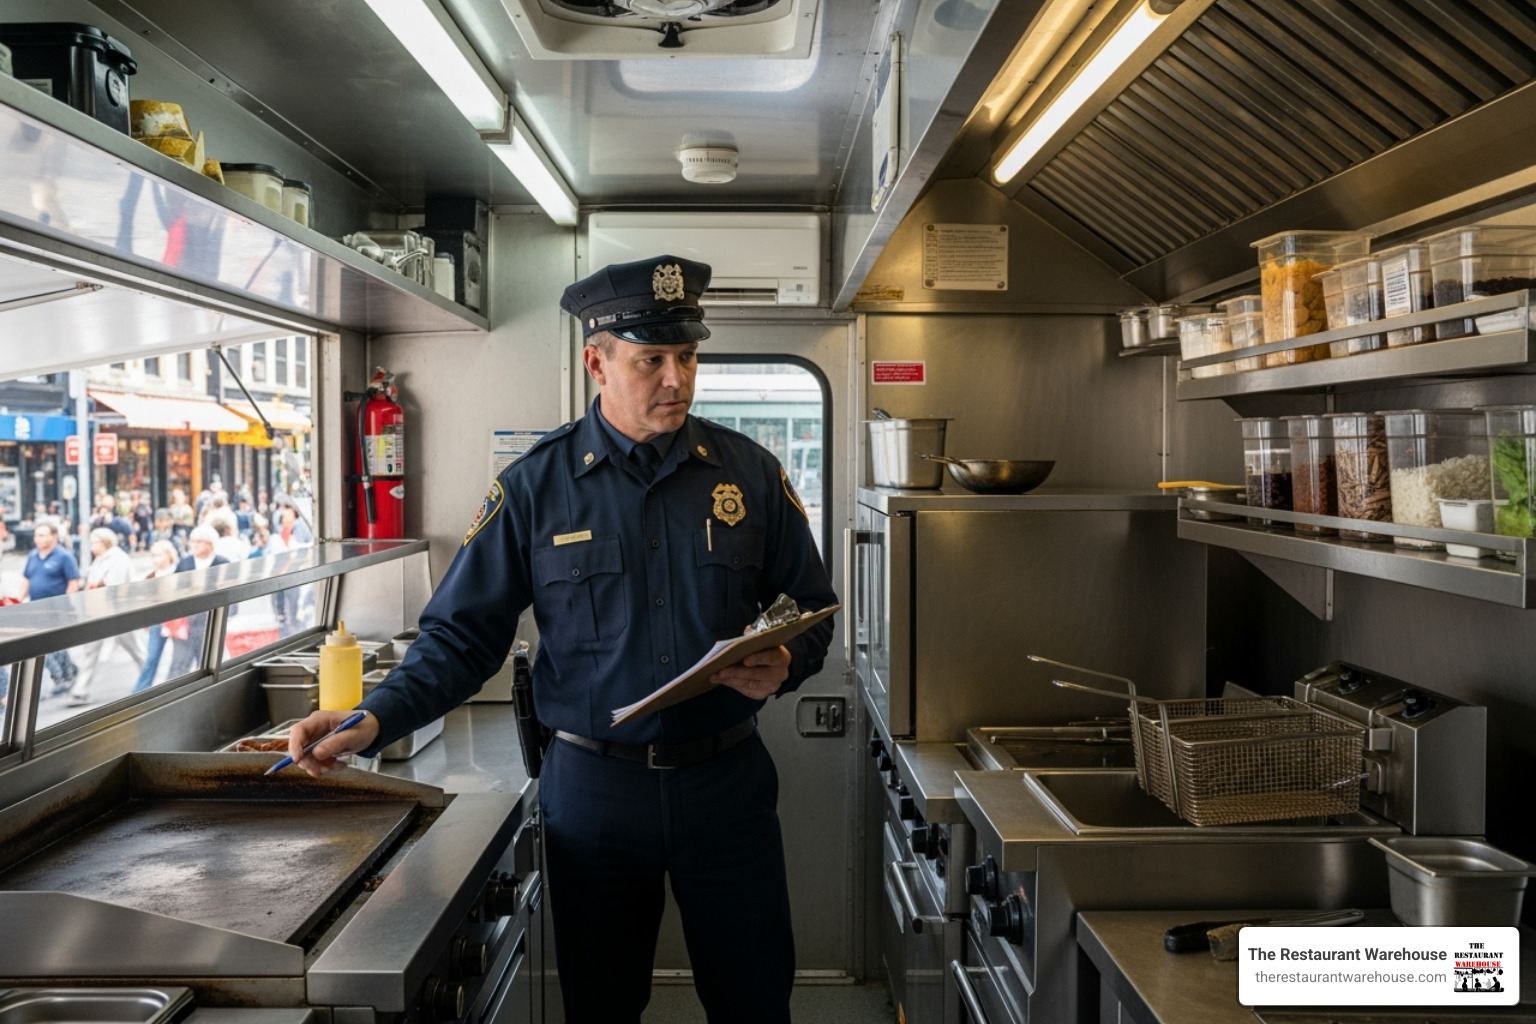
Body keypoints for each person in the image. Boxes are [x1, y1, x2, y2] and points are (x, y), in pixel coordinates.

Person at [287, 255, 837, 1024]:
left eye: (687, 356)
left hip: (727, 783)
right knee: (601, 1008)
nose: (676, 378)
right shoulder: (533, 489)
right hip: (595, 791)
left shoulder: (747, 475)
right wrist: (367, 721)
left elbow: (813, 605)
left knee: (754, 1001)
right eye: (651, 360)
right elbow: (459, 639)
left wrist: (786, 661)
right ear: (597, 362)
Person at [67, 528, 147, 706]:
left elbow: (115, 586)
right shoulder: (101, 559)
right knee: (91, 650)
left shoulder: (117, 558)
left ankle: (149, 677)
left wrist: (96, 586)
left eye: (95, 542)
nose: (92, 546)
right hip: (100, 612)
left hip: (118, 613)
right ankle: (81, 690)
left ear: (104, 542)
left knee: (135, 648)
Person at [21, 520, 81, 696]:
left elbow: (73, 582)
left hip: (57, 610)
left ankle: (62, 677)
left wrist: (65, 604)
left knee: (50, 647)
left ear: (54, 536)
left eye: (42, 535)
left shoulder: (64, 556)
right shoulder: (33, 556)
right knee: (46, 647)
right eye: (36, 535)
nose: (37, 539)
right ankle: (68, 671)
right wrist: (18, 600)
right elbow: (27, 579)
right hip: (36, 610)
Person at [167, 525, 229, 678]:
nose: (194, 545)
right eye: (192, 541)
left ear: (210, 544)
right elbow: (175, 590)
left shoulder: (222, 563)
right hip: (186, 624)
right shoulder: (185, 563)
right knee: (179, 665)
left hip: (209, 623)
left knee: (207, 663)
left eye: (199, 542)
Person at [133, 539, 184, 693]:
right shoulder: (150, 576)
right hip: (158, 621)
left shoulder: (180, 571)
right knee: (152, 658)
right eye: (153, 556)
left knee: (179, 659)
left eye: (159, 555)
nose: (156, 559)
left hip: (177, 620)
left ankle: (173, 690)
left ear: (169, 555)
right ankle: (140, 692)